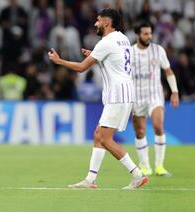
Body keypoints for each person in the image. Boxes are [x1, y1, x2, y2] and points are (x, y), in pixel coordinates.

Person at [48, 8, 148, 189]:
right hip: (124, 92)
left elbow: (80, 68)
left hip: (118, 95)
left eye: (98, 20)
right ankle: (90, 180)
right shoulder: (122, 38)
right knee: (98, 135)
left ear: (107, 23)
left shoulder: (105, 43)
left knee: (104, 139)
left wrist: (59, 61)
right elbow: (115, 61)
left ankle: (137, 174)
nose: (95, 23)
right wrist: (97, 57)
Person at [130, 22, 179, 177]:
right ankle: (145, 166)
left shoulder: (158, 50)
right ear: (138, 34)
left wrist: (175, 91)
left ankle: (159, 166)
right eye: (145, 33)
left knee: (158, 126)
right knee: (140, 132)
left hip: (155, 96)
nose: (149, 36)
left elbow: (168, 71)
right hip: (136, 97)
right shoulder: (129, 53)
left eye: (150, 33)